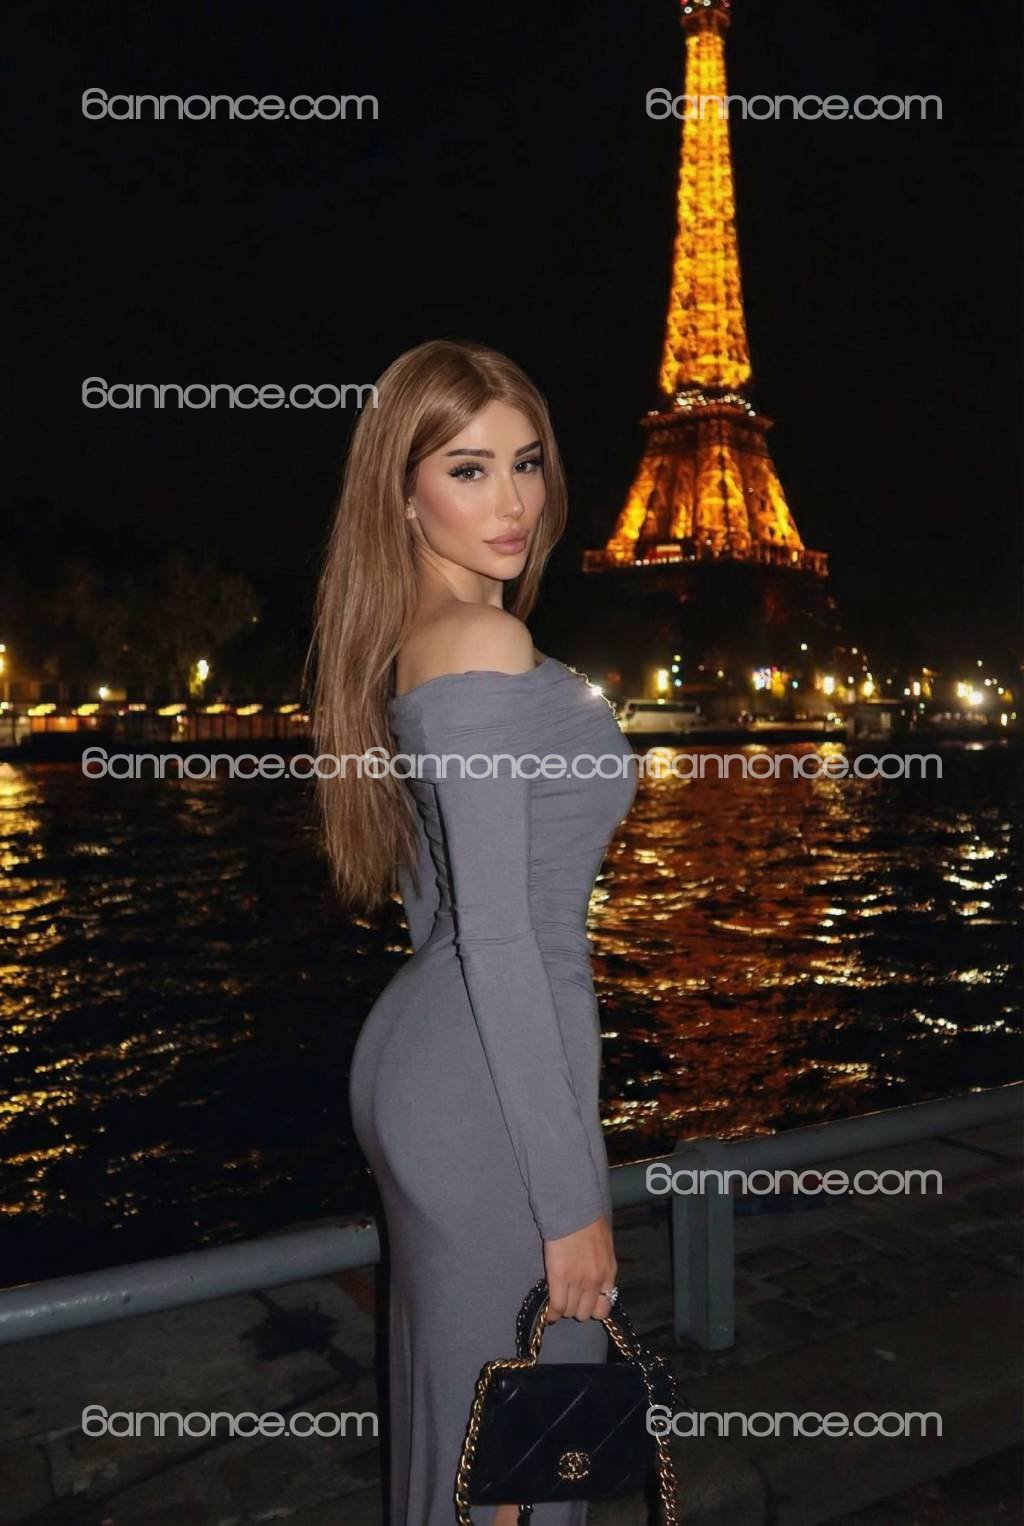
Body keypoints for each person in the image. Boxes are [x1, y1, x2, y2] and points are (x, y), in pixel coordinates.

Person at [307, 338, 638, 1524]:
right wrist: (570, 1201)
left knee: (474, 1421)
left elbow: (431, 897)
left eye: (526, 462)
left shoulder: (413, 635)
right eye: (467, 468)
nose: (511, 501)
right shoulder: (483, 644)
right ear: (403, 493)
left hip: (435, 1057)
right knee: (526, 1446)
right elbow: (498, 939)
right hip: (486, 1079)